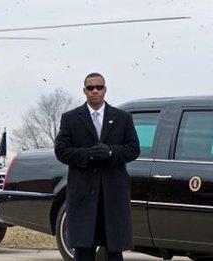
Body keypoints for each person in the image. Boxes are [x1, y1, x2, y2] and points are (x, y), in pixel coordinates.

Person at [54, 72, 140, 261]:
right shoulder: (70, 118)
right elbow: (61, 151)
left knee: (114, 250)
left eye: (99, 87)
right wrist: (87, 154)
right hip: (83, 195)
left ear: (105, 90)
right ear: (84, 91)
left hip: (113, 196)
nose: (95, 91)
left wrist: (110, 152)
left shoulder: (122, 118)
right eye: (90, 88)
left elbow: (133, 149)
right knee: (84, 250)